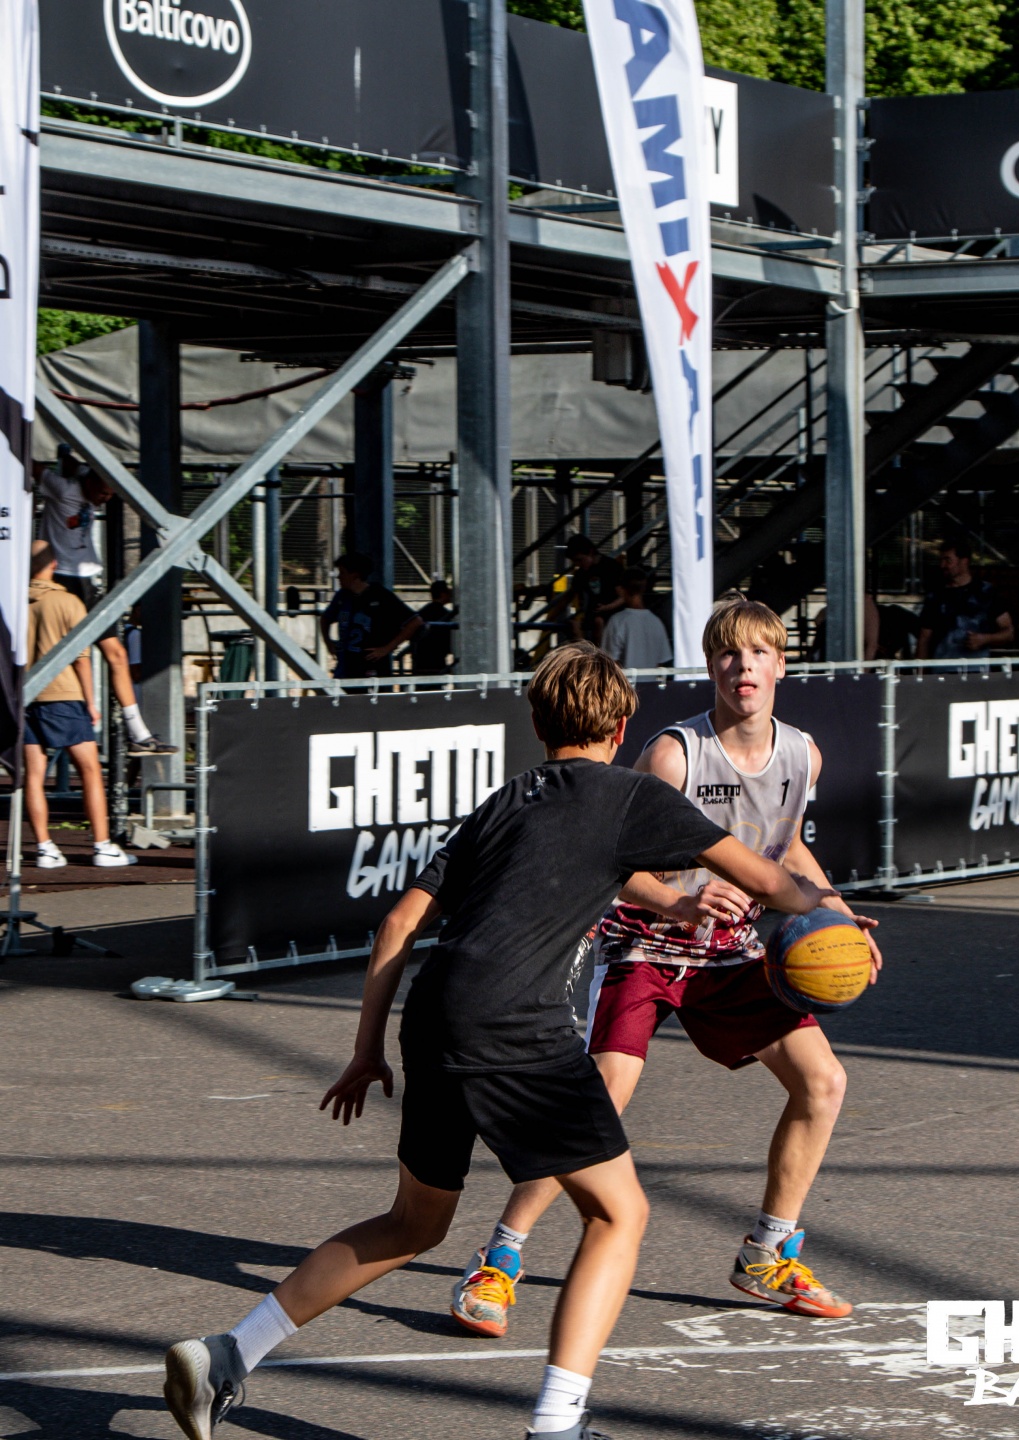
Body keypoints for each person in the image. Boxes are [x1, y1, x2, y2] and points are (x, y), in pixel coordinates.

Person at [162, 642, 833, 1440]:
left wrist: (367, 1049)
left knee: (413, 1225)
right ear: (622, 727)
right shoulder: (631, 795)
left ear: (539, 724)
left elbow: (398, 924)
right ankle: (556, 1425)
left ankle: (228, 1354)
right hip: (517, 1026)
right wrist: (830, 915)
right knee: (618, 1216)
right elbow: (766, 878)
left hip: (434, 1017)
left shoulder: (505, 802)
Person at [452, 597, 881, 1343]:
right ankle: (498, 1259)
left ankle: (768, 1253)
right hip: (644, 947)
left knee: (824, 1082)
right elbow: (611, 860)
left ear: (782, 665)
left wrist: (836, 914)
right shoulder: (675, 755)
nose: (743, 666)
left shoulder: (801, 755)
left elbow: (783, 848)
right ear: (710, 666)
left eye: (758, 653)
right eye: (728, 653)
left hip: (727, 952)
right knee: (603, 1100)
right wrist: (678, 902)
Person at [36, 448, 176, 755]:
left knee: (117, 654)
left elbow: (73, 465)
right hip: (62, 580)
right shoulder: (63, 489)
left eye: (110, 495)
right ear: (90, 483)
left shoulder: (82, 480)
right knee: (67, 658)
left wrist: (66, 453)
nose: (105, 499)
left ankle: (138, 733)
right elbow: (35, 468)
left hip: (88, 582)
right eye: (102, 493)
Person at [23, 541, 136, 869]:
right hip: (65, 695)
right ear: (54, 564)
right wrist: (90, 701)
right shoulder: (68, 601)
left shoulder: (13, 604)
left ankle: (45, 848)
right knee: (89, 770)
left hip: (26, 696)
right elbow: (81, 658)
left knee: (33, 776)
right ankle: (102, 845)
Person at [320, 552, 421, 679]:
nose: (338, 577)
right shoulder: (342, 596)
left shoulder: (380, 595)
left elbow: (415, 621)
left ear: (355, 575)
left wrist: (387, 648)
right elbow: (326, 618)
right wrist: (328, 642)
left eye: (342, 573)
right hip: (346, 665)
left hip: (372, 665)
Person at [916, 538, 1013, 660]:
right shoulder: (935, 596)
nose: (942, 565)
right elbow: (924, 638)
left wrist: (985, 639)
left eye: (948, 560)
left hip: (977, 668)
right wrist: (920, 669)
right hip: (941, 668)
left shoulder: (986, 592)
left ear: (964, 562)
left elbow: (1008, 633)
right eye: (941, 560)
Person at [599, 568, 671, 669]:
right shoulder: (656, 622)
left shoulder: (617, 621)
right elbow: (660, 662)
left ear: (621, 590)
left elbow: (609, 662)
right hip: (651, 679)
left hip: (624, 679)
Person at [562, 535, 627, 644]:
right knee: (577, 625)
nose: (578, 564)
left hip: (613, 614)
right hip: (594, 614)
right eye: (575, 561)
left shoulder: (611, 567)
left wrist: (607, 607)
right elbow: (570, 595)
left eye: (580, 560)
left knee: (598, 622)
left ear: (590, 552)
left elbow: (623, 597)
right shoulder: (581, 573)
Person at [410, 578, 456, 676]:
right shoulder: (444, 614)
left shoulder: (423, 612)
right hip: (436, 659)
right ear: (443, 594)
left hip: (421, 659)